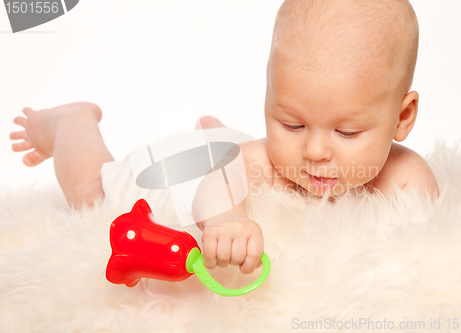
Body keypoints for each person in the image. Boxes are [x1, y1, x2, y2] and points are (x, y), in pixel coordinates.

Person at [9, 0, 438, 276]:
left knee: (241, 148)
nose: (314, 152)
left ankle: (216, 131)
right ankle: (72, 124)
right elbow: (216, 182)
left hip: (233, 146)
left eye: (346, 132)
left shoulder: (405, 175)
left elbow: (420, 250)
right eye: (291, 122)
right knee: (92, 198)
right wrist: (227, 220)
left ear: (402, 117)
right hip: (182, 172)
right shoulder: (266, 160)